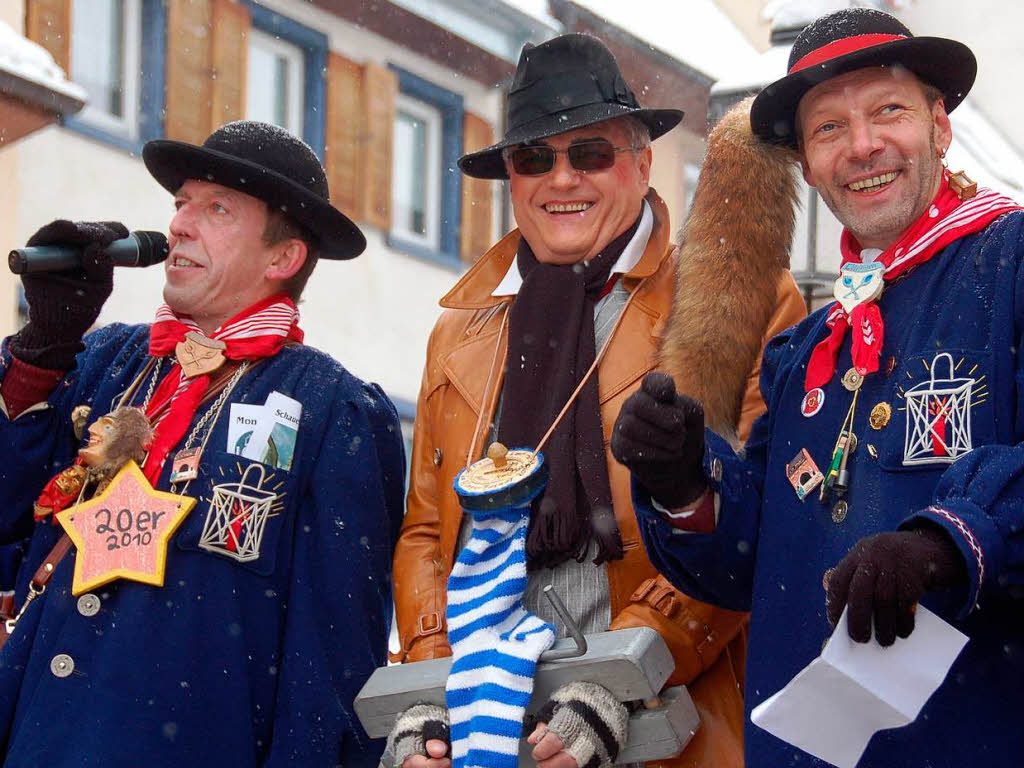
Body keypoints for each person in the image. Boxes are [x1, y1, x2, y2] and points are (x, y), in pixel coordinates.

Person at [613, 8, 1024, 767]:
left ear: (940, 125)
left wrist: (948, 544)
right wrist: (683, 484)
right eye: (828, 129)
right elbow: (751, 560)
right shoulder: (804, 349)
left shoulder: (1012, 262)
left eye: (888, 112)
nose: (862, 146)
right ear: (805, 163)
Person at [389, 34, 805, 768]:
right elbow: (426, 532)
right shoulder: (460, 329)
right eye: (534, 158)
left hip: (668, 733)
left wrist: (619, 677)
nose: (561, 179)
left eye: (590, 153)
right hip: (487, 735)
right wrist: (433, 683)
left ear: (643, 164)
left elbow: (749, 524)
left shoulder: (739, 300)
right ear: (510, 178)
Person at [0, 121, 405, 767]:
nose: (181, 225)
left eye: (216, 209)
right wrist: (41, 350)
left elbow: (331, 672)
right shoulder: (102, 360)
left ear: (282, 258)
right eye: (181, 203)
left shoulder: (334, 411)